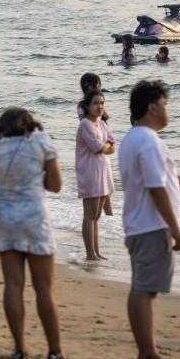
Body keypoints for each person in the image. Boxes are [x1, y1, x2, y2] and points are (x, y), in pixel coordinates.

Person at [0, 108, 70, 359]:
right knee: (44, 288)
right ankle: (54, 351)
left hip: (6, 217)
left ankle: (20, 348)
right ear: (29, 124)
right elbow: (55, 186)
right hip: (34, 217)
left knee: (13, 285)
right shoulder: (41, 142)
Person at [120, 79, 180, 359]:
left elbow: (151, 181)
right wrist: (176, 230)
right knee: (144, 290)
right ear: (152, 107)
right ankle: (148, 354)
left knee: (142, 288)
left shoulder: (132, 138)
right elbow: (154, 189)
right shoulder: (149, 140)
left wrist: (175, 181)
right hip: (151, 226)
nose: (167, 110)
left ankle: (146, 352)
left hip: (139, 223)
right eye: (165, 104)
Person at [76, 90, 116, 262]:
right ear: (87, 106)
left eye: (102, 103)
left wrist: (105, 145)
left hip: (103, 171)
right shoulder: (85, 124)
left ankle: (96, 252)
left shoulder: (102, 123)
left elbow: (112, 146)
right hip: (90, 172)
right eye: (96, 103)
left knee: (97, 216)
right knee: (90, 215)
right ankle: (90, 253)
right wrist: (105, 145)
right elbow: (97, 147)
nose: (100, 106)